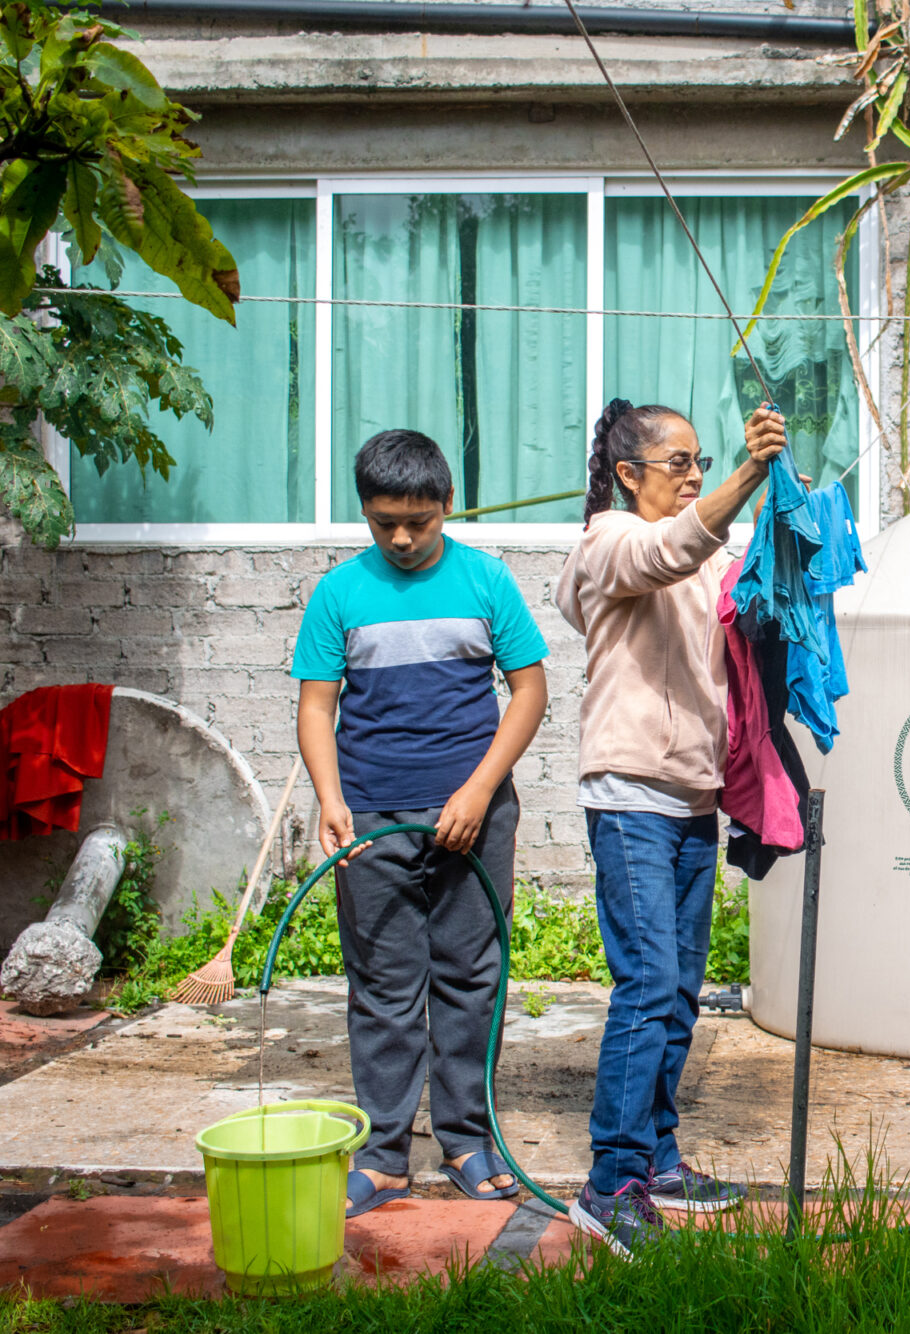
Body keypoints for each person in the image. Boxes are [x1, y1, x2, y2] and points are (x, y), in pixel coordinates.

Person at [291, 429, 549, 1217]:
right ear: (366, 514)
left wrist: (477, 792)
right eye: (383, 523)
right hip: (372, 816)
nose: (401, 538)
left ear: (446, 505)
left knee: (471, 980)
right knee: (383, 987)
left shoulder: (486, 580)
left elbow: (530, 691)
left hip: (475, 817)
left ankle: (469, 1140)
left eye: (417, 521)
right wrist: (331, 802)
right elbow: (315, 706)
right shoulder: (339, 593)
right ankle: (383, 1155)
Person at [555, 396, 787, 1259]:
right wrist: (746, 476)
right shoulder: (609, 541)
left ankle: (656, 1160)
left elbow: (717, 586)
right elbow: (671, 545)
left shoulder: (696, 561)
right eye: (678, 462)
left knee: (680, 992)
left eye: (701, 460)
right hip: (628, 797)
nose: (692, 476)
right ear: (627, 473)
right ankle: (608, 1184)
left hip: (691, 800)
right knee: (647, 986)